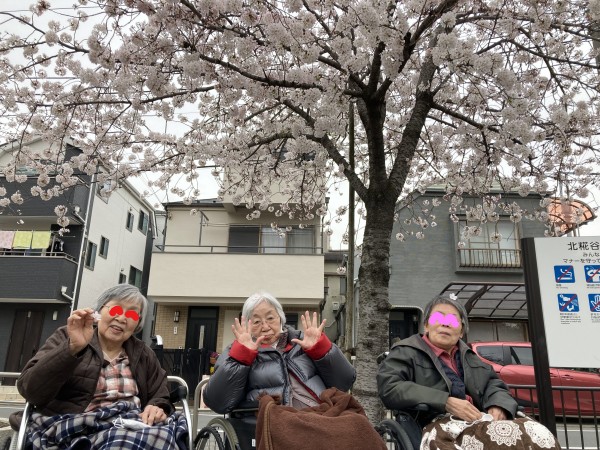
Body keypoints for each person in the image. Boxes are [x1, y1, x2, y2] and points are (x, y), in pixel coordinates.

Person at [10, 284, 187, 450]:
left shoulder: (143, 353)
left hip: (132, 425)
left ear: (138, 323)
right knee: (123, 442)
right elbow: (31, 390)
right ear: (99, 311)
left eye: (132, 315)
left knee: (166, 435)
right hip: (77, 426)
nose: (122, 318)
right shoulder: (67, 337)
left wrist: (156, 406)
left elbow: (159, 394)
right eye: (116, 309)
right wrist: (72, 348)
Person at [377, 295, 560, 450]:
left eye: (452, 320)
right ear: (426, 325)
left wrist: (499, 405)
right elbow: (390, 387)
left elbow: (494, 384)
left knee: (539, 434)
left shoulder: (470, 357)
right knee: (495, 441)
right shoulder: (406, 351)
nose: (445, 324)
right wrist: (445, 401)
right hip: (435, 424)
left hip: (479, 420)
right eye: (437, 318)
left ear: (461, 330)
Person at [203, 291, 356, 413]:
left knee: (358, 424)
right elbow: (218, 402)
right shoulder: (236, 351)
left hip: (322, 413)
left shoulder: (303, 342)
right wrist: (242, 357)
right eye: (256, 322)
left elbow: (345, 381)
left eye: (270, 318)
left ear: (281, 319)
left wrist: (320, 349)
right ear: (247, 325)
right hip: (276, 422)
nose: (265, 327)